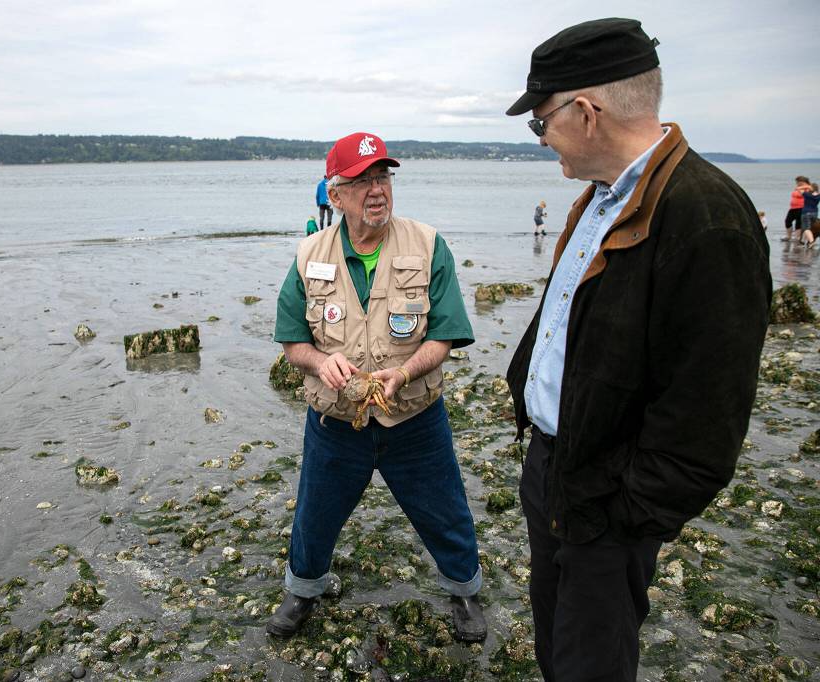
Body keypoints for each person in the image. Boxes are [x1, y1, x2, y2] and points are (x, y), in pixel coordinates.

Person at [503, 19, 771, 681]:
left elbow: (706, 418)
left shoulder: (707, 217)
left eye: (541, 122)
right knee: (554, 648)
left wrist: (626, 516)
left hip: (607, 500)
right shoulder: (599, 198)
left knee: (591, 663)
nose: (542, 139)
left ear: (586, 112)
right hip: (555, 471)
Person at [270, 132, 486, 642]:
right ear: (335, 194)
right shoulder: (308, 254)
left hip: (413, 417)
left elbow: (446, 334)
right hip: (335, 423)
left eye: (383, 177)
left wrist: (406, 372)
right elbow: (292, 341)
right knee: (315, 512)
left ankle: (464, 590)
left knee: (445, 508)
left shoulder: (429, 244)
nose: (376, 190)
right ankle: (303, 588)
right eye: (361, 180)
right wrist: (321, 363)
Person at [784, 176, 811, 242]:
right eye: (797, 182)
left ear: (804, 182)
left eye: (799, 182)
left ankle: (797, 237)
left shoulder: (808, 188)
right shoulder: (798, 188)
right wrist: (799, 187)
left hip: (801, 208)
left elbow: (810, 188)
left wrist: (800, 187)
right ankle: (788, 236)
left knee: (798, 223)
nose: (798, 183)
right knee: (787, 221)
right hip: (793, 208)